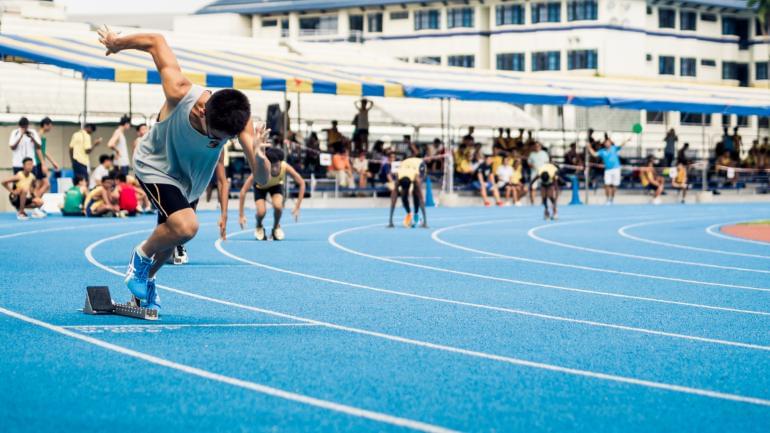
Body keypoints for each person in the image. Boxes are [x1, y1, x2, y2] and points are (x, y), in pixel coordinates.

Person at [97, 26, 271, 311]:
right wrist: (117, 43)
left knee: (167, 245)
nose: (218, 142)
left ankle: (143, 286)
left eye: (223, 140)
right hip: (155, 165)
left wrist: (260, 156)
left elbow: (262, 178)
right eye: (215, 136)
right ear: (203, 110)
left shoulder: (239, 123)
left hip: (189, 181)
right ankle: (139, 257)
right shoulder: (180, 92)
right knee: (186, 226)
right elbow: (156, 41)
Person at [237, 147, 305, 241]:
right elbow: (243, 191)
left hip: (276, 186)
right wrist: (241, 215)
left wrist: (297, 207)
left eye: (277, 165)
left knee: (278, 206)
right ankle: (259, 225)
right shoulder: (260, 169)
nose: (274, 169)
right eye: (271, 166)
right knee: (261, 212)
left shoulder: (285, 166)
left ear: (280, 162)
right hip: (260, 187)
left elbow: (302, 183)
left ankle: (276, 227)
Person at [587, 136, 630, 205]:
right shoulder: (602, 151)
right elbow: (594, 154)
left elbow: (621, 145)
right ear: (604, 144)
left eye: (608, 142)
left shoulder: (614, 148)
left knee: (614, 185)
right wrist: (589, 148)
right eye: (606, 142)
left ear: (610, 143)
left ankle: (612, 199)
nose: (607, 143)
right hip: (608, 170)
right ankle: (607, 200)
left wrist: (627, 140)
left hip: (616, 169)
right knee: (607, 185)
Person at [388, 155, 427, 228]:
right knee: (404, 197)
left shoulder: (415, 177)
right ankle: (409, 214)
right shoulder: (398, 176)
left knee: (416, 193)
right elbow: (393, 198)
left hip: (419, 165)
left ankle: (416, 215)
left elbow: (421, 198)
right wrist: (390, 221)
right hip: (405, 165)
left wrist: (425, 222)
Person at [33, 117, 59, 198]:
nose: (51, 128)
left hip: (40, 162)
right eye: (50, 126)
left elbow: (43, 150)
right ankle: (35, 201)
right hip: (38, 162)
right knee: (45, 184)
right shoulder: (39, 135)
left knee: (40, 185)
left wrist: (52, 161)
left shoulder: (42, 135)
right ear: (45, 125)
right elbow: (38, 150)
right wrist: (43, 164)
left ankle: (36, 202)